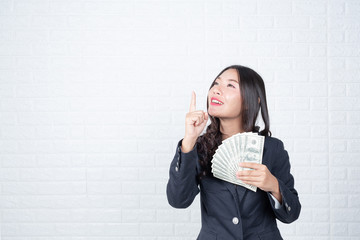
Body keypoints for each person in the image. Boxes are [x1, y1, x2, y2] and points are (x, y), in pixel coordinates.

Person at [166, 65, 301, 240]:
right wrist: (189, 140)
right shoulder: (198, 148)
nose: (217, 90)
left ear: (252, 100)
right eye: (216, 83)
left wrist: (274, 186)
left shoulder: (272, 149)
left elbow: (291, 214)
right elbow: (178, 200)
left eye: (230, 85)